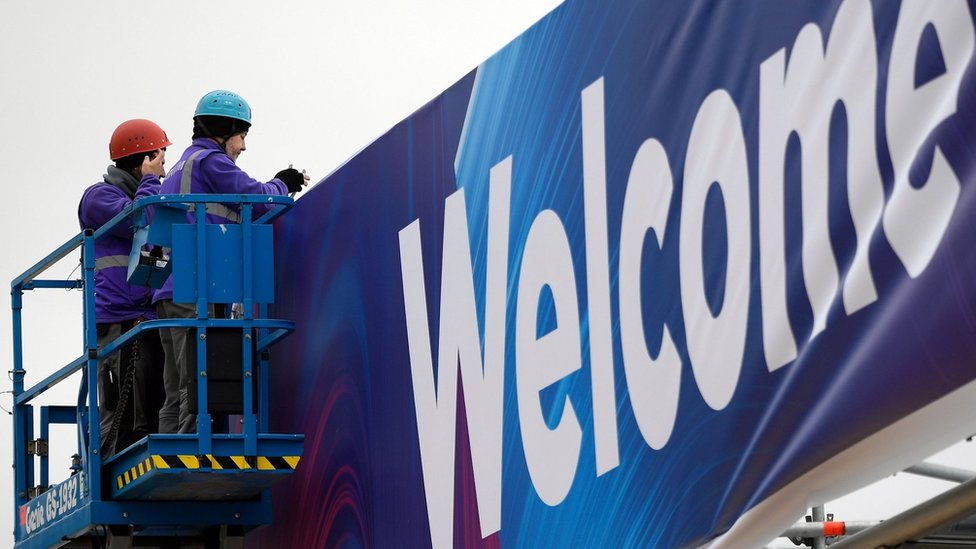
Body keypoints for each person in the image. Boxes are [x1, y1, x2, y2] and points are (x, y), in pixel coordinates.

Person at [153, 90, 307, 434]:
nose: (243, 146)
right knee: (195, 386)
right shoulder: (210, 161)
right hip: (194, 288)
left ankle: (169, 451)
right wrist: (285, 183)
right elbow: (258, 200)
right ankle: (186, 457)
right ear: (223, 131)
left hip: (169, 290)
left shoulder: (180, 166)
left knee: (176, 389)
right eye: (242, 136)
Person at [77, 119, 170, 458]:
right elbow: (137, 219)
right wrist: (148, 182)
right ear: (141, 159)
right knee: (124, 408)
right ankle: (111, 458)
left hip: (147, 314)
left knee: (152, 399)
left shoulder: (152, 194)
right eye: (158, 159)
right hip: (118, 320)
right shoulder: (98, 197)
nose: (162, 169)